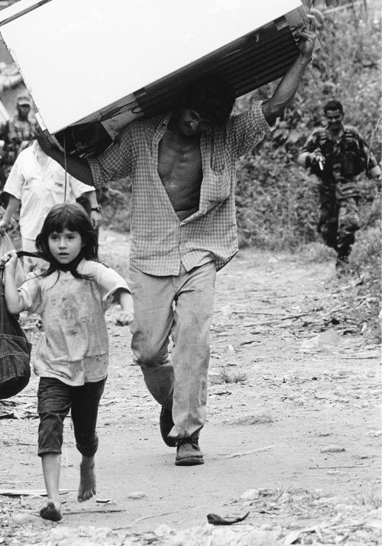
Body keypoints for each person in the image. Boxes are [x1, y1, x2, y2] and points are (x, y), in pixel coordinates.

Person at [38, 27, 317, 467]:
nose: (197, 126)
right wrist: (50, 149)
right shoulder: (140, 136)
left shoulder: (225, 135)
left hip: (202, 250)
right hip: (151, 253)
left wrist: (302, 57)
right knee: (148, 352)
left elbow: (274, 108)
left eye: (207, 121)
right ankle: (172, 403)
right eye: (192, 116)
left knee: (194, 340)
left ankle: (189, 433)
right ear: (179, 104)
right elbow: (95, 173)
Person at [1, 203, 134, 521]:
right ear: (45, 241)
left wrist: (127, 310)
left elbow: (120, 286)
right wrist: (8, 272)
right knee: (49, 425)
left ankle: (87, 464)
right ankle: (53, 501)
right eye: (56, 237)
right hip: (53, 367)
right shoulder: (40, 280)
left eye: (70, 237)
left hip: (91, 368)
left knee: (85, 434)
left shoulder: (92, 272)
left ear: (84, 240)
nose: (62, 245)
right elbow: (14, 304)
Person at [298, 99, 381, 271]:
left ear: (342, 115)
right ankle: (338, 249)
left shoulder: (352, 134)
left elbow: (368, 158)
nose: (334, 121)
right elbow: (301, 157)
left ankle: (343, 258)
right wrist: (311, 157)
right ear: (325, 118)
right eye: (330, 118)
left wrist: (379, 179)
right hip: (326, 187)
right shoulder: (318, 136)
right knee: (327, 231)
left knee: (350, 221)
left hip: (347, 185)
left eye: (337, 117)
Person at [0, 137, 101, 272]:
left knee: (63, 271)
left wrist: (94, 208)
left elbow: (83, 184)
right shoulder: (24, 157)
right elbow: (15, 192)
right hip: (31, 228)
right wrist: (5, 219)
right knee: (33, 272)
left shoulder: (66, 156)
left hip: (62, 230)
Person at [0, 93, 38, 182]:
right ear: (17, 107)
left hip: (30, 166)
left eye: (27, 106)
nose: (25, 109)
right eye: (22, 106)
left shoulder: (34, 125)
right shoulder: (7, 124)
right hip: (11, 167)